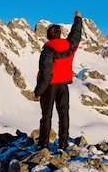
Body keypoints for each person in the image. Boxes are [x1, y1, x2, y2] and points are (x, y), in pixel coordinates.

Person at [34, 11, 83, 149]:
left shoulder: (48, 51)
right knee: (63, 114)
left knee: (46, 115)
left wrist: (38, 91)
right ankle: (63, 143)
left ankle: (43, 144)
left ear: (48, 36)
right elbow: (76, 35)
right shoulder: (69, 45)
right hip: (63, 85)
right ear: (59, 34)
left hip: (50, 86)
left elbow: (46, 74)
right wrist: (77, 18)